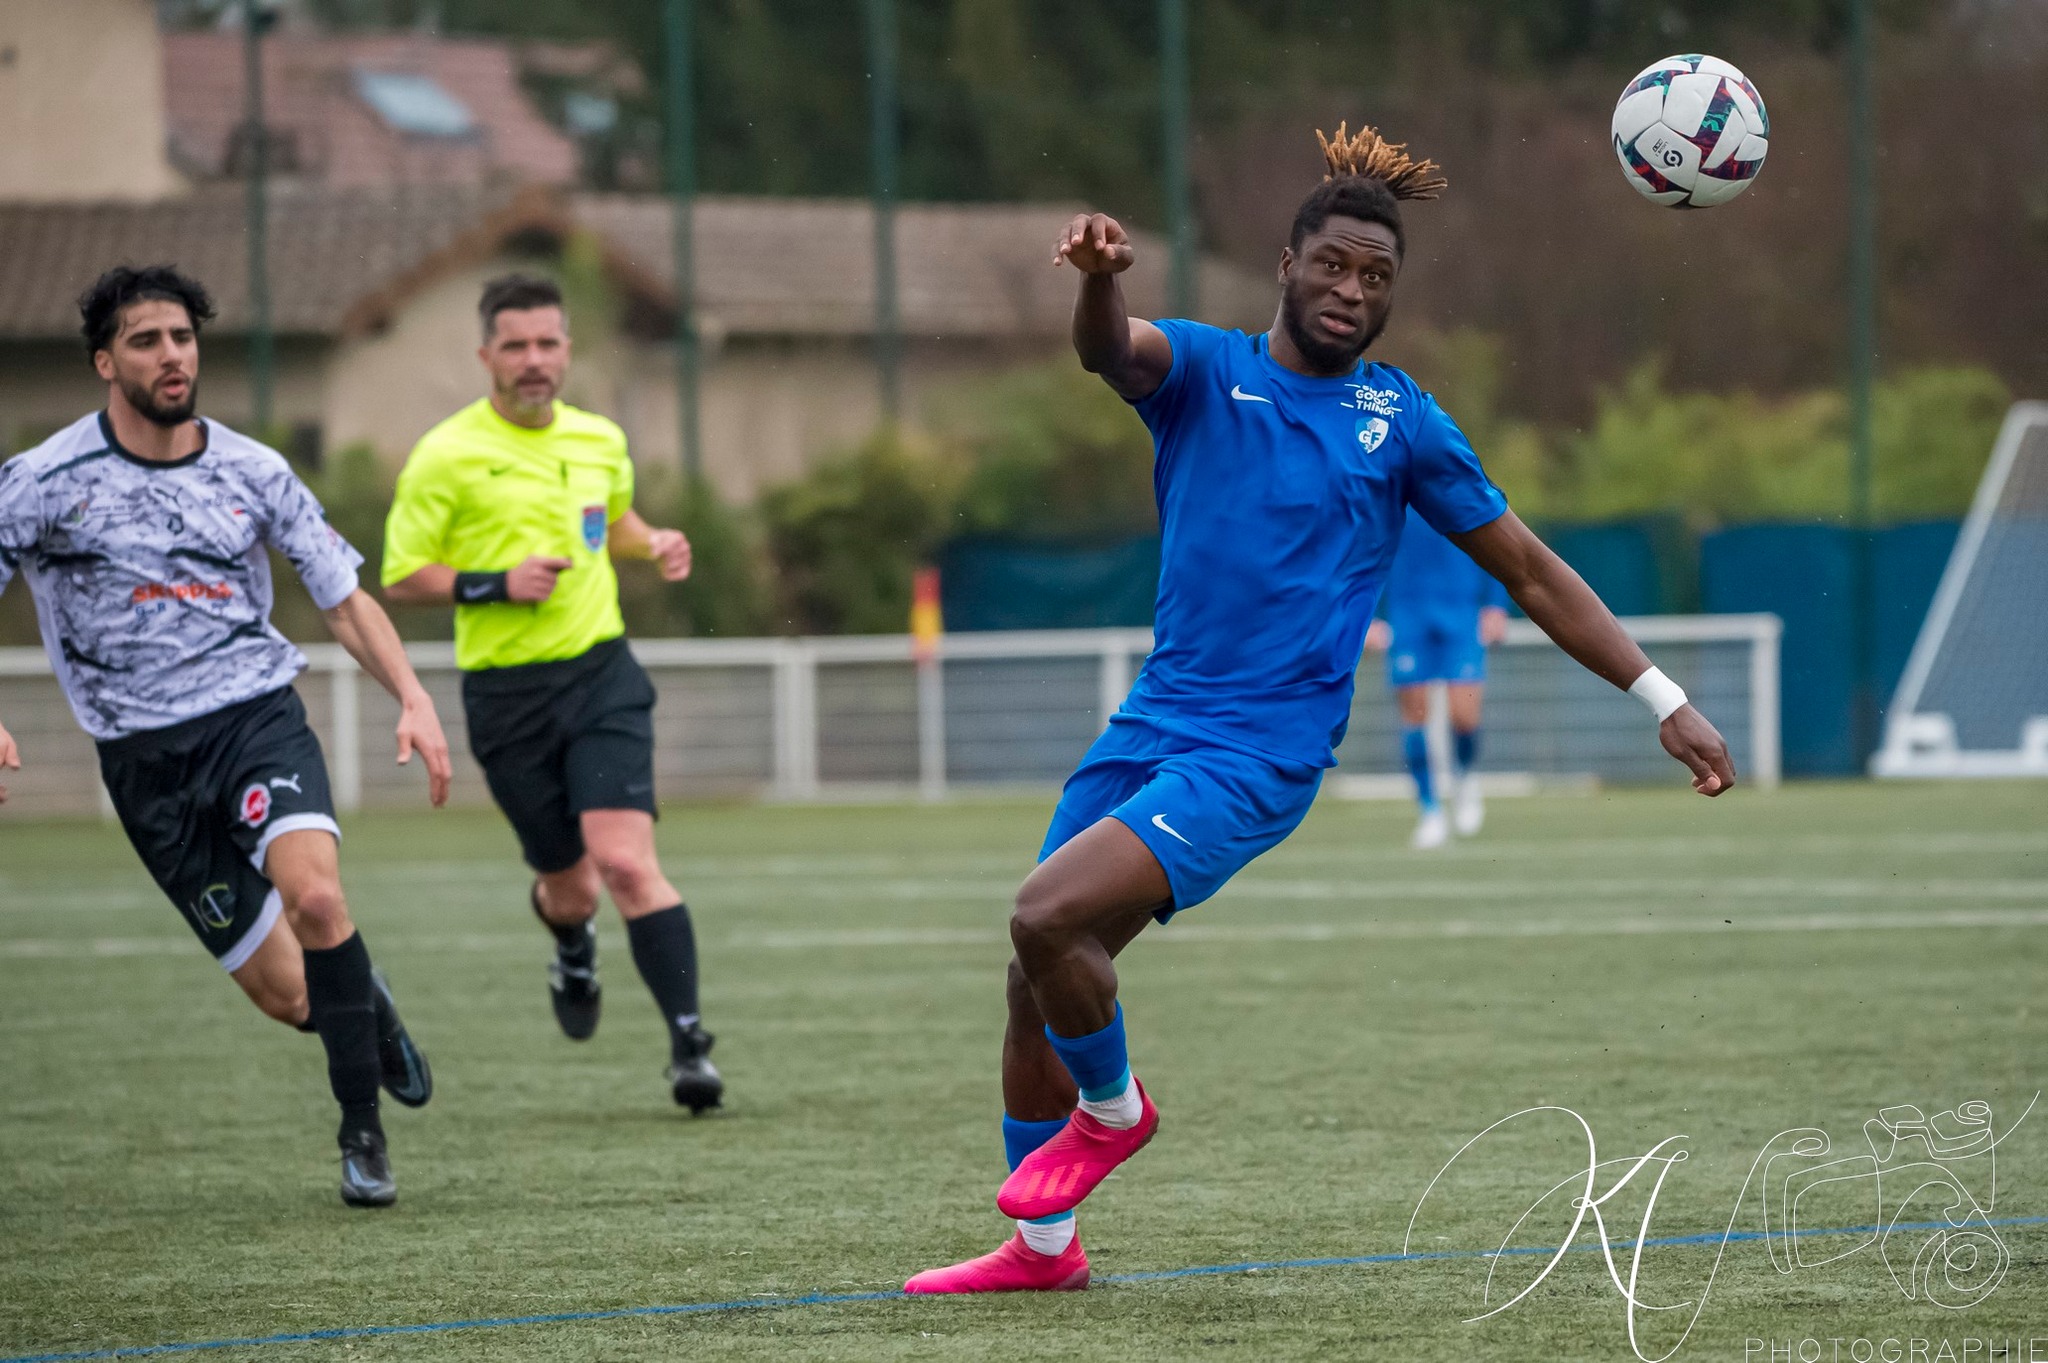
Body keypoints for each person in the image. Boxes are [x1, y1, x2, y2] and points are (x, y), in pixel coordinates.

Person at [904, 125, 1734, 1294]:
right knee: (1031, 973)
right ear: (1285, 264)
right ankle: (1045, 1252)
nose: (1352, 290)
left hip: (1259, 754)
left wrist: (1662, 697)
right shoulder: (1202, 370)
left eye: (1377, 276)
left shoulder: (1401, 424)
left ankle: (1114, 1111)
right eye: (1334, 265)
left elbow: (1532, 571)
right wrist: (1100, 280)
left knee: (1043, 914)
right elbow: (1109, 349)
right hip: (1153, 726)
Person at [0, 266, 453, 1207]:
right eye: (146, 340)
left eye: (182, 337)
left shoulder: (253, 469)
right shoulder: (42, 482)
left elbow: (342, 596)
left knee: (318, 899)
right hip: (144, 766)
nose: (172, 356)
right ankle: (365, 1009)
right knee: (292, 996)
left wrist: (410, 692)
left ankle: (361, 1136)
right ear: (103, 361)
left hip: (255, 722)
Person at [380, 274, 722, 1113]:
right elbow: (400, 576)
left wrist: (656, 543)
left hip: (600, 673)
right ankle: (572, 942)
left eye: (548, 344)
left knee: (628, 863)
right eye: (517, 345)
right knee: (572, 886)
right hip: (506, 698)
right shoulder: (445, 453)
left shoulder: (601, 438)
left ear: (567, 350)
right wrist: (496, 583)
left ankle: (690, 1044)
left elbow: (617, 521)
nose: (534, 360)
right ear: (486, 355)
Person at [1363, 505, 1511, 848]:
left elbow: (1495, 542)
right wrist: (1367, 617)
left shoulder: (1460, 479)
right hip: (1407, 618)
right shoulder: (1387, 489)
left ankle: (1465, 777)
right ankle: (1430, 811)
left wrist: (1496, 605)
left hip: (1460, 615)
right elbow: (1366, 552)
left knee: (1465, 717)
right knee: (1414, 717)